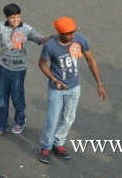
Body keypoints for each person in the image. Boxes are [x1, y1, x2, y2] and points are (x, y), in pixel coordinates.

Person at [37, 17, 106, 164]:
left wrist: (99, 83)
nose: (72, 36)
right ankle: (46, 147)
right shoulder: (50, 46)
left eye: (73, 32)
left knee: (69, 118)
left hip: (74, 87)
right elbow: (42, 64)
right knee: (53, 120)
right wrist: (55, 80)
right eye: (68, 33)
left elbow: (90, 60)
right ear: (59, 33)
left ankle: (58, 143)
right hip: (56, 89)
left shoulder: (80, 40)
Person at [0, 3, 49, 137]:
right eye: (12, 17)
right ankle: (2, 124)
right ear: (7, 17)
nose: (16, 20)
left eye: (18, 17)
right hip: (4, 69)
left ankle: (20, 121)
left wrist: (52, 37)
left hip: (19, 71)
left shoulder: (26, 29)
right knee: (1, 98)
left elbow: (41, 40)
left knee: (17, 98)